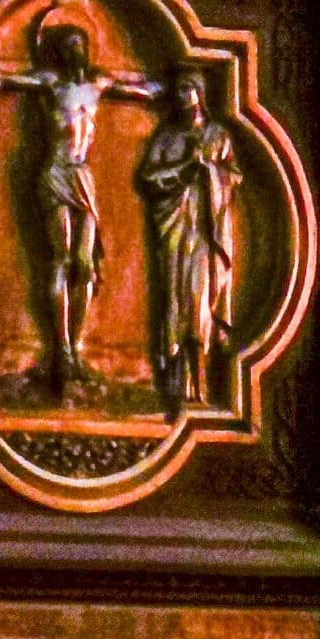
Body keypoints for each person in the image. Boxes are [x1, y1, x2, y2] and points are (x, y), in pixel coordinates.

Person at [0, 17, 159, 390]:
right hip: (55, 172)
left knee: (85, 264)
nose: (74, 52)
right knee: (61, 257)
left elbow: (142, 90)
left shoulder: (98, 84)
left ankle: (75, 343)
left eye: (79, 44)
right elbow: (10, 79)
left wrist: (165, 89)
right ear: (59, 54)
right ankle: (61, 348)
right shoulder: (52, 84)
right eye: (67, 46)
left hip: (83, 176)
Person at [139, 68, 241, 406]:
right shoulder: (166, 138)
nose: (183, 95)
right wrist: (186, 167)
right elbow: (149, 179)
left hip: (206, 232)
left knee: (199, 301)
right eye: (179, 89)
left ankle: (200, 384)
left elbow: (233, 179)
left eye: (188, 89)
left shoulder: (217, 136)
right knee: (174, 301)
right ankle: (174, 382)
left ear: (200, 93)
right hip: (174, 229)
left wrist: (209, 171)